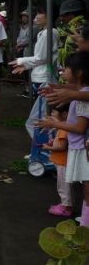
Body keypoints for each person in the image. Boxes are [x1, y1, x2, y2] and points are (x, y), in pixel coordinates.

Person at [37, 52, 89, 227]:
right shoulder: (81, 93)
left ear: (79, 73)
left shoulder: (82, 99)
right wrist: (57, 88)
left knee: (87, 190)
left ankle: (85, 226)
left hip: (82, 148)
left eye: (66, 68)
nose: (62, 71)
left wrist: (56, 123)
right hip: (81, 146)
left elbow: (80, 128)